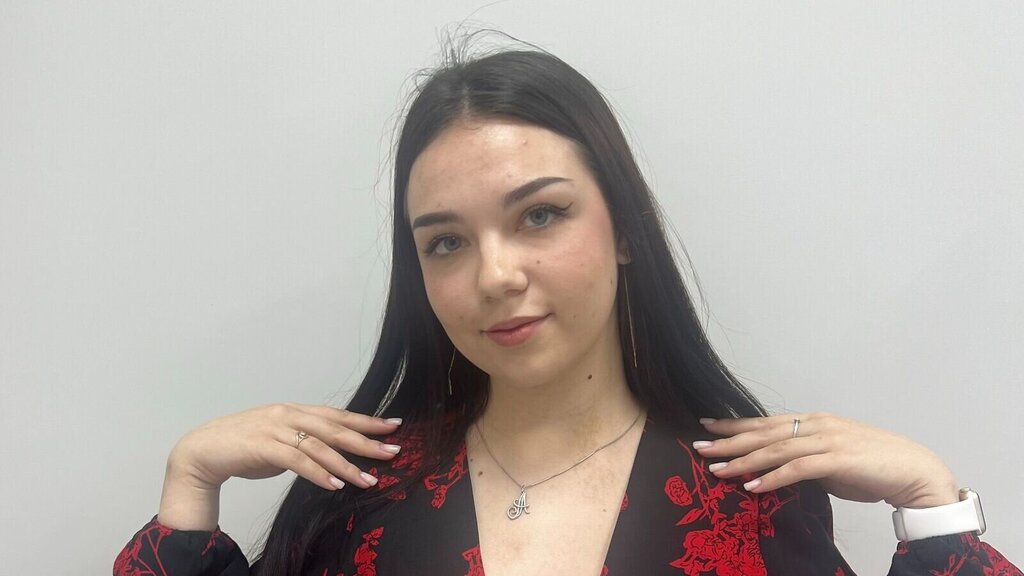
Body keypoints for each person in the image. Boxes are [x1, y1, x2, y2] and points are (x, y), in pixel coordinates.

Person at [114, 47, 1020, 576]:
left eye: (540, 215)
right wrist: (189, 488)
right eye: (446, 241)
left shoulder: (748, 501)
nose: (495, 274)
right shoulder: (354, 500)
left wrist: (933, 508)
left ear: (623, 228)